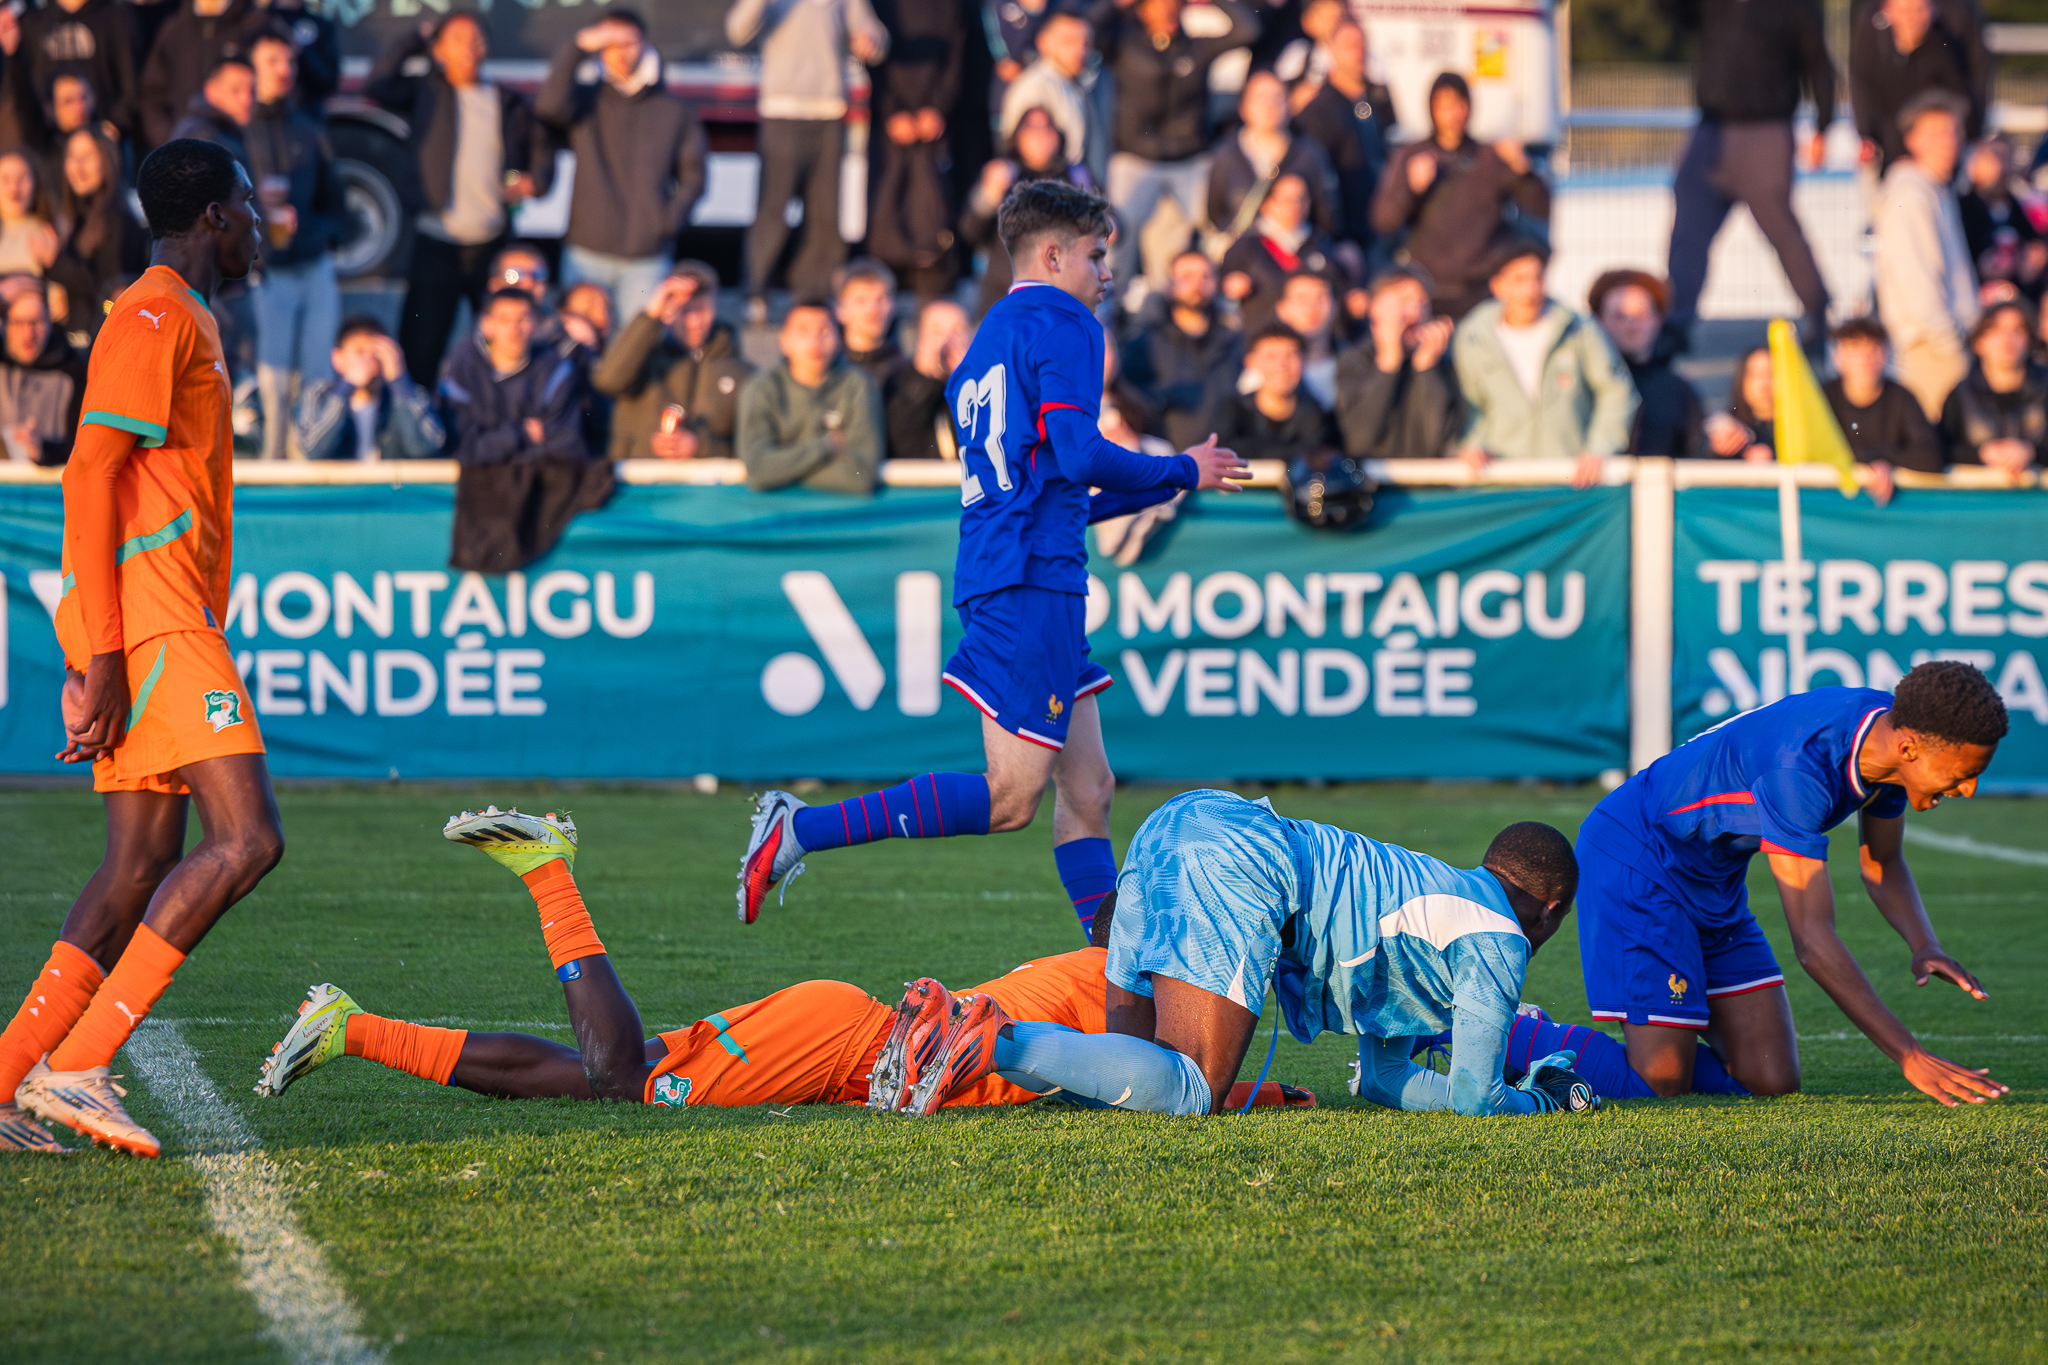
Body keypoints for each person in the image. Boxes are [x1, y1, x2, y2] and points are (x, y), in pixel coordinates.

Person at [736, 181, 1246, 932]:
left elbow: (1057, 490)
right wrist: (1177, 471)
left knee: (1091, 788)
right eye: (1097, 255)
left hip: (1023, 566)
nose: (1107, 274)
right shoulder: (1066, 322)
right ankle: (798, 829)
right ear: (1052, 254)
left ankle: (1106, 975)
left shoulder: (983, 344)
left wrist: (1169, 483)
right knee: (1012, 797)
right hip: (1028, 581)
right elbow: (1077, 456)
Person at [246, 808, 1306, 1117]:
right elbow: (1160, 1080)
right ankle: (547, 872)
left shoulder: (1120, 981)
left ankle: (352, 1027)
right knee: (627, 1081)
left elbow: (1163, 1066)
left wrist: (1262, 1091)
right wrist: (1244, 1089)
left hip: (856, 1045)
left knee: (610, 1073)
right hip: (857, 1042)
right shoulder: (1123, 992)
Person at [0, 138, 283, 1158]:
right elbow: (87, 475)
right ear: (212, 215)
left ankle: (5, 1083)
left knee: (137, 864)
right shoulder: (155, 311)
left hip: (152, 616)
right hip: (157, 618)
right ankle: (78, 1063)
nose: (256, 222)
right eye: (246, 204)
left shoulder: (178, 313)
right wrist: (104, 653)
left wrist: (96, 642)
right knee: (247, 841)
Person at [919, 788, 1592, 1119]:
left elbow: (1387, 1079)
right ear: (1552, 907)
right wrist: (1543, 1103)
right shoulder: (1500, 936)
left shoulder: (1437, 900)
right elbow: (1477, 1096)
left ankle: (945, 1035)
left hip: (1177, 821)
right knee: (1191, 1086)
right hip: (1243, 857)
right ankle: (988, 1037)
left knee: (1125, 1100)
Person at [1574, 662, 2009, 1107]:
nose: (1970, 789)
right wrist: (1909, 1054)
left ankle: (1671, 1052)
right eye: (1962, 772)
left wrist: (1925, 944)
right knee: (1661, 1083)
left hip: (1715, 882)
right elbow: (1813, 941)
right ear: (1910, 748)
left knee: (1770, 1078)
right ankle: (1530, 1038)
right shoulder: (1800, 771)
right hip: (1637, 860)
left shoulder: (1892, 746)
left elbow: (1883, 862)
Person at [367, 13, 551, 385]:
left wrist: (538, 181)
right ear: (440, 50)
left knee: (500, 340)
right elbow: (378, 83)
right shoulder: (426, 92)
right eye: (457, 40)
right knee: (422, 343)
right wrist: (415, 38)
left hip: (491, 241)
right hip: (438, 238)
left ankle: (492, 418)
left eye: (476, 40)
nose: (468, 49)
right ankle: (417, 426)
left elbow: (541, 149)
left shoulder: (507, 101)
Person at [1662, 0, 1836, 348]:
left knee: (1780, 228)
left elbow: (1818, 61)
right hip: (1711, 127)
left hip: (1765, 128)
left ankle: (1818, 313)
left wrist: (1822, 124)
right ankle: (1674, 323)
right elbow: (1674, 15)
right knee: (1688, 231)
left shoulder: (1794, 6)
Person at [536, 11, 706, 323]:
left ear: (645, 45)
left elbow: (694, 175)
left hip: (647, 257)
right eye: (610, 43)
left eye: (626, 42)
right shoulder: (586, 101)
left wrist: (666, 223)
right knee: (578, 343)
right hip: (586, 252)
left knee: (638, 345)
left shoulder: (674, 110)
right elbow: (548, 106)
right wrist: (577, 46)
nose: (619, 51)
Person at [726, 0, 888, 316]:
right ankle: (756, 293)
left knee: (826, 212)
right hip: (781, 110)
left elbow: (872, 32)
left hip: (829, 111)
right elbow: (737, 31)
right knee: (773, 209)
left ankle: (813, 294)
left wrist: (871, 40)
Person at [1092, 0, 1260, 303]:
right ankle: (1109, 311)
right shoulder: (1124, 45)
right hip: (1136, 160)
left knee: (1215, 235)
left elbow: (1247, 30)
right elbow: (1086, 29)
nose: (1167, 11)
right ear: (1142, 11)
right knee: (1115, 238)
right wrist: (1115, 5)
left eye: (1173, 5)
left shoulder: (1196, 48)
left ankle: (1219, 305)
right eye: (1157, 5)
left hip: (1190, 160)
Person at [1451, 238, 1637, 487]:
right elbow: (1469, 404)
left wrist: (1599, 449)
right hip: (1499, 481)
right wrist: (1471, 445)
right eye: (1519, 280)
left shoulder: (1578, 329)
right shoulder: (1472, 337)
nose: (1530, 289)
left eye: (1537, 278)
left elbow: (1617, 391)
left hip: (1571, 481)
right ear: (1497, 286)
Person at [1370, 72, 1549, 323]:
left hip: (1482, 289)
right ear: (1432, 109)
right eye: (1444, 106)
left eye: (1459, 105)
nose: (1452, 114)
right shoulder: (1412, 156)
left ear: (1469, 108)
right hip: (1429, 290)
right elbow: (1383, 221)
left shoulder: (1490, 157)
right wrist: (1411, 188)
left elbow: (1541, 208)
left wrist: (1523, 169)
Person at [245, 27, 340, 461]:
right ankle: (270, 472)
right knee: (273, 382)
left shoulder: (308, 127)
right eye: (273, 62)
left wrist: (316, 232)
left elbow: (336, 203)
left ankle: (309, 466)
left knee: (318, 374)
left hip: (312, 265)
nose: (285, 71)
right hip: (264, 271)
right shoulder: (237, 131)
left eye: (290, 62)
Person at [1875, 90, 1979, 420]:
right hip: (1932, 349)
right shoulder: (1911, 193)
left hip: (1944, 342)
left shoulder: (1935, 189)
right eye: (1935, 133)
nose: (1948, 142)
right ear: (1912, 140)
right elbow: (1914, 275)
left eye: (1954, 131)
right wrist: (1947, 341)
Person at [590, 259, 753, 461]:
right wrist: (651, 315)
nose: (694, 322)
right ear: (667, 310)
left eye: (701, 310)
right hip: (638, 485)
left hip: (709, 488)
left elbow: (753, 450)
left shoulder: (742, 373)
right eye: (684, 311)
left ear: (715, 307)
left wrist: (699, 447)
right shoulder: (641, 358)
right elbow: (607, 381)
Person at [863, 0, 965, 301]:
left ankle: (930, 284)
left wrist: (938, 108)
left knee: (931, 202)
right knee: (886, 198)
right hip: (888, 118)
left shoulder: (950, 7)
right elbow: (872, 60)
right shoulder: (880, 4)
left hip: (934, 117)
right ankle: (884, 282)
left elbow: (956, 56)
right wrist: (890, 110)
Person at [734, 299, 883, 494]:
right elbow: (759, 469)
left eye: (824, 332)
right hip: (775, 517)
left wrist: (782, 465)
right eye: (803, 331)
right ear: (784, 340)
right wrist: (827, 446)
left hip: (843, 517)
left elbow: (860, 475)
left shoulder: (858, 385)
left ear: (839, 339)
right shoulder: (761, 388)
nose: (815, 342)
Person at [961, 105, 1096, 314]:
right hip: (1005, 295)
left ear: (1058, 135)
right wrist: (988, 196)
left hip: (1062, 299)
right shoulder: (1003, 174)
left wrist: (1103, 224)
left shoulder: (1076, 177)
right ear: (1017, 136)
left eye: (1047, 127)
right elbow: (970, 231)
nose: (1041, 136)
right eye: (1031, 128)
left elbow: (1113, 224)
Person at [438, 288, 589, 468]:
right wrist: (521, 434)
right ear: (486, 325)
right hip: (472, 487)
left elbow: (567, 448)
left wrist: (496, 446)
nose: (514, 328)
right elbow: (462, 449)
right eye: (504, 320)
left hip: (539, 485)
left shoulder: (557, 370)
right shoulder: (463, 367)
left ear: (536, 324)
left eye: (522, 319)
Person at [1121, 248, 1242, 453]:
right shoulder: (1145, 341)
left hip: (1223, 459)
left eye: (1206, 276)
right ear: (1170, 284)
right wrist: (1161, 400)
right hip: (1163, 459)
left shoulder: (1234, 341)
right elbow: (1127, 393)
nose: (1197, 284)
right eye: (1186, 277)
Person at [1290, 19, 1394, 253]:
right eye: (1350, 45)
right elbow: (1314, 180)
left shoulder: (1375, 100)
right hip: (1344, 242)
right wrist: (1334, 239)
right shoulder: (1319, 110)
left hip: (1378, 233)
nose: (1359, 52)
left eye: (1362, 44)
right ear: (1332, 51)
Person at [1334, 266, 1459, 460]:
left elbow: (1434, 443)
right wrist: (1388, 364)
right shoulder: (1354, 360)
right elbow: (1359, 441)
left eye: (1422, 303)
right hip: (1373, 483)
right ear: (1374, 307)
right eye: (1404, 301)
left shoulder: (1439, 362)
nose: (1415, 311)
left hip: (1427, 483)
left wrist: (1426, 369)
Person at [1850, 0, 1986, 178]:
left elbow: (1959, 102)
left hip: (1924, 160)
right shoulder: (1874, 36)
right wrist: (1866, 133)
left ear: (1932, 12)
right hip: (1883, 149)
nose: (1910, 18)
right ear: (1888, 11)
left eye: (1918, 11)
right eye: (1904, 11)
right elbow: (1861, 83)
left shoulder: (1941, 53)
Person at [1204, 70, 1337, 245]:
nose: (1270, 105)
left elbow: (1327, 216)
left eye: (1277, 97)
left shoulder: (1310, 155)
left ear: (1289, 105)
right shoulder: (1225, 156)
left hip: (1296, 251)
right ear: (1244, 107)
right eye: (1261, 98)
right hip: (1244, 253)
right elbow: (1215, 212)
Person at [1823, 316, 1943, 504]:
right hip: (1833, 506)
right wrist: (1870, 462)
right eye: (1855, 350)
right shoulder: (1823, 399)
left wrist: (1882, 460)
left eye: (1873, 349)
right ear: (1838, 357)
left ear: (1884, 354)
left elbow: (1930, 456)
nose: (1865, 359)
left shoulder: (1901, 397)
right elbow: (1816, 451)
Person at [293, 314, 444, 461]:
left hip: (388, 486)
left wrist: (399, 382)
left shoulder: (410, 394)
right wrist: (345, 389)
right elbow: (313, 450)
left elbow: (425, 449)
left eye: (377, 353)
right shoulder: (318, 395)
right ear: (337, 358)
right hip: (339, 486)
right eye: (360, 352)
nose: (369, 360)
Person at [1589, 270, 1705, 458]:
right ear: (1599, 321)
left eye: (1640, 315)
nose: (1631, 325)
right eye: (1620, 316)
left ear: (1658, 320)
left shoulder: (1678, 391)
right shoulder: (1580, 383)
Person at [48, 130, 150, 344]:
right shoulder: (76, 216)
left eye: (86, 157)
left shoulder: (120, 218)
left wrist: (55, 265)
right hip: (80, 339)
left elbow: (113, 289)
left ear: (107, 160)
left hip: (103, 344)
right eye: (72, 157)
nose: (78, 166)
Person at [1217, 172, 1348, 333]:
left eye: (1301, 199)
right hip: (1261, 336)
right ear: (1266, 203)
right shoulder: (1246, 246)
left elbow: (1337, 289)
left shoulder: (1321, 243)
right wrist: (1230, 289)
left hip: (1313, 337)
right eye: (1286, 199)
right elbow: (1218, 291)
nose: (1295, 205)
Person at [1937, 297, 2045, 478]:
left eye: (2018, 330)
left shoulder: (2044, 389)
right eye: (1996, 330)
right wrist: (1982, 453)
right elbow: (1937, 450)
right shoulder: (1960, 395)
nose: (2007, 339)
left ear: (2030, 341)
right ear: (1979, 342)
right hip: (1979, 503)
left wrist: (2031, 452)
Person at [1207, 323, 1336, 464]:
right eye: (1271, 356)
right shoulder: (1233, 411)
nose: (1281, 365)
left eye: (1290, 355)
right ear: (1250, 362)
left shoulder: (1317, 415)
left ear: (1304, 360)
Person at [137, 0, 258, 150]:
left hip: (247, 149)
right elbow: (152, 92)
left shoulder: (253, 23)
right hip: (182, 145)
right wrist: (169, 141)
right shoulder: (175, 28)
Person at [996, 11, 1100, 184]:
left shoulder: (1068, 84)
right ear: (1043, 43)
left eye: (1086, 43)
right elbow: (1027, 157)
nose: (1080, 50)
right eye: (1069, 41)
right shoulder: (1037, 87)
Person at [20, 0, 142, 146]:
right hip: (50, 144)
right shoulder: (33, 21)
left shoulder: (115, 15)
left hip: (104, 139)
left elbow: (132, 83)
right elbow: (25, 87)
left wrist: (117, 123)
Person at [0, 279, 86, 463]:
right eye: (19, 322)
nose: (28, 334)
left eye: (36, 322)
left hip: (47, 486)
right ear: (5, 325)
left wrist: (42, 450)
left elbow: (83, 446)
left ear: (49, 321)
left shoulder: (73, 369)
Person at [1958, 134, 2046, 302]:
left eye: (2007, 157)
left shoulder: (2020, 207)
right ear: (1974, 163)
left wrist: (2034, 257)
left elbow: (2035, 244)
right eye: (1994, 156)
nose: (2001, 166)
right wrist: (1979, 265)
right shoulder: (1961, 208)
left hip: (2017, 303)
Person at [890, 298, 970, 460]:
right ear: (919, 337)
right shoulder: (897, 380)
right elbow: (904, 441)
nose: (947, 341)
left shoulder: (984, 382)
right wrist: (925, 379)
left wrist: (963, 380)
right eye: (936, 332)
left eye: (956, 331)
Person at [1272, 270, 1339, 410]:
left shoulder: (1358, 364)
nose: (1312, 308)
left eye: (1321, 297)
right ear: (1282, 309)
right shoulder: (1263, 375)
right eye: (1302, 300)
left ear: (1335, 306)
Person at [168, 53, 251, 159]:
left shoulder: (226, 130)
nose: (246, 99)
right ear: (211, 90)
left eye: (252, 90)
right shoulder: (201, 136)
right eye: (235, 90)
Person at [0, 149, 58, 278]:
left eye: (21, 178)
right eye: (5, 179)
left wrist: (55, 265)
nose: (14, 188)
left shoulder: (52, 229)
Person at [1713, 345, 1778, 461]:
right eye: (1754, 375)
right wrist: (1717, 451)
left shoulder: (1803, 430)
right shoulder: (1729, 428)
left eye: (1772, 374)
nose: (1764, 385)